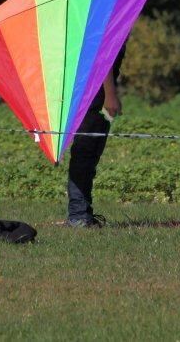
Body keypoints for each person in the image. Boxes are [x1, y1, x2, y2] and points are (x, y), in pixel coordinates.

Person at [66, 46, 125, 228]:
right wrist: (110, 95)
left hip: (91, 90)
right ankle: (78, 216)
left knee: (89, 153)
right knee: (85, 151)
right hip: (93, 92)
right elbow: (101, 53)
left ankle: (82, 214)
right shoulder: (108, 18)